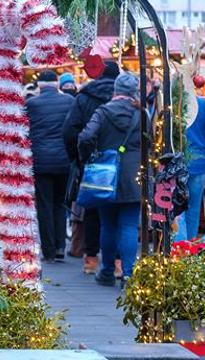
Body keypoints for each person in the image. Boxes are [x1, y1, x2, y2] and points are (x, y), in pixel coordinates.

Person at [78, 72, 142, 287]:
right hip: (134, 175)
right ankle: (129, 274)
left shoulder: (103, 111)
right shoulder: (142, 113)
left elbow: (86, 136)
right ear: (134, 92)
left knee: (108, 225)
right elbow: (152, 141)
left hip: (105, 174)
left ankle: (106, 271)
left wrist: (89, 156)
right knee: (130, 226)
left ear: (115, 90)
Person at [62, 60, 120, 274]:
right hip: (123, 163)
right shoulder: (129, 100)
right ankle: (117, 262)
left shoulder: (84, 97)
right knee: (119, 213)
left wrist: (78, 159)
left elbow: (70, 131)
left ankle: (91, 258)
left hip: (93, 161)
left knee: (94, 211)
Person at [26, 71, 75, 262]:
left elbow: (25, 130)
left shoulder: (32, 104)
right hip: (63, 160)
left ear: (39, 85)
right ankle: (61, 246)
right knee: (60, 204)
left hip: (40, 161)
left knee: (44, 205)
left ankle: (48, 249)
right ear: (57, 84)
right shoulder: (69, 102)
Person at [175, 98, 205, 241]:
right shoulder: (203, 105)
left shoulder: (171, 101)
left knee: (177, 210)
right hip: (198, 160)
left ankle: (179, 250)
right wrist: (204, 153)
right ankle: (190, 249)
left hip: (174, 161)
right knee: (193, 209)